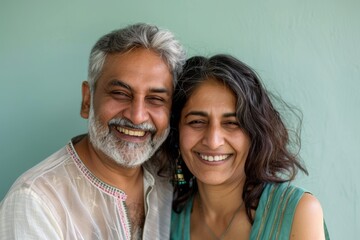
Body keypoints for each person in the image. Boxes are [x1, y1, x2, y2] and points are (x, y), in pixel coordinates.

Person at [0, 23, 186, 240]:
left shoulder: (170, 177)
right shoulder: (35, 201)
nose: (137, 116)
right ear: (87, 100)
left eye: (155, 99)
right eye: (120, 93)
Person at [170, 54, 330, 239]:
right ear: (176, 130)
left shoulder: (299, 213)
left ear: (255, 133)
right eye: (197, 121)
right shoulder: (167, 215)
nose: (213, 141)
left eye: (232, 123)